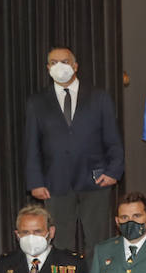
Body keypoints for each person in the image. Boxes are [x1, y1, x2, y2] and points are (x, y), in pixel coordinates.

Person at [25, 46, 124, 250]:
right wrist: (35, 181)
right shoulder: (37, 102)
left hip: (96, 181)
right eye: (53, 62)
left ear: (76, 66)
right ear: (47, 68)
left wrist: (114, 171)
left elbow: (113, 139)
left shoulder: (99, 97)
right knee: (61, 242)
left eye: (65, 61)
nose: (59, 67)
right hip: (55, 183)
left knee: (98, 241)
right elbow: (31, 145)